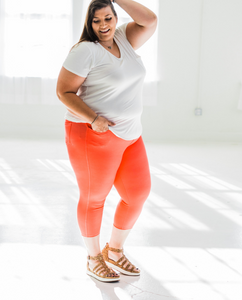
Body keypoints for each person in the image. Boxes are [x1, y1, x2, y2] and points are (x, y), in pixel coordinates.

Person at [56, 0, 157, 283]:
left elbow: (149, 19)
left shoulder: (124, 38)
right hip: (93, 134)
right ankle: (93, 258)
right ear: (89, 23)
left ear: (116, 16)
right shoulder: (85, 50)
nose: (104, 26)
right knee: (94, 198)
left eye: (108, 18)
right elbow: (64, 91)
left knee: (137, 193)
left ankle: (114, 250)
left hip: (130, 134)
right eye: (97, 21)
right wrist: (93, 119)